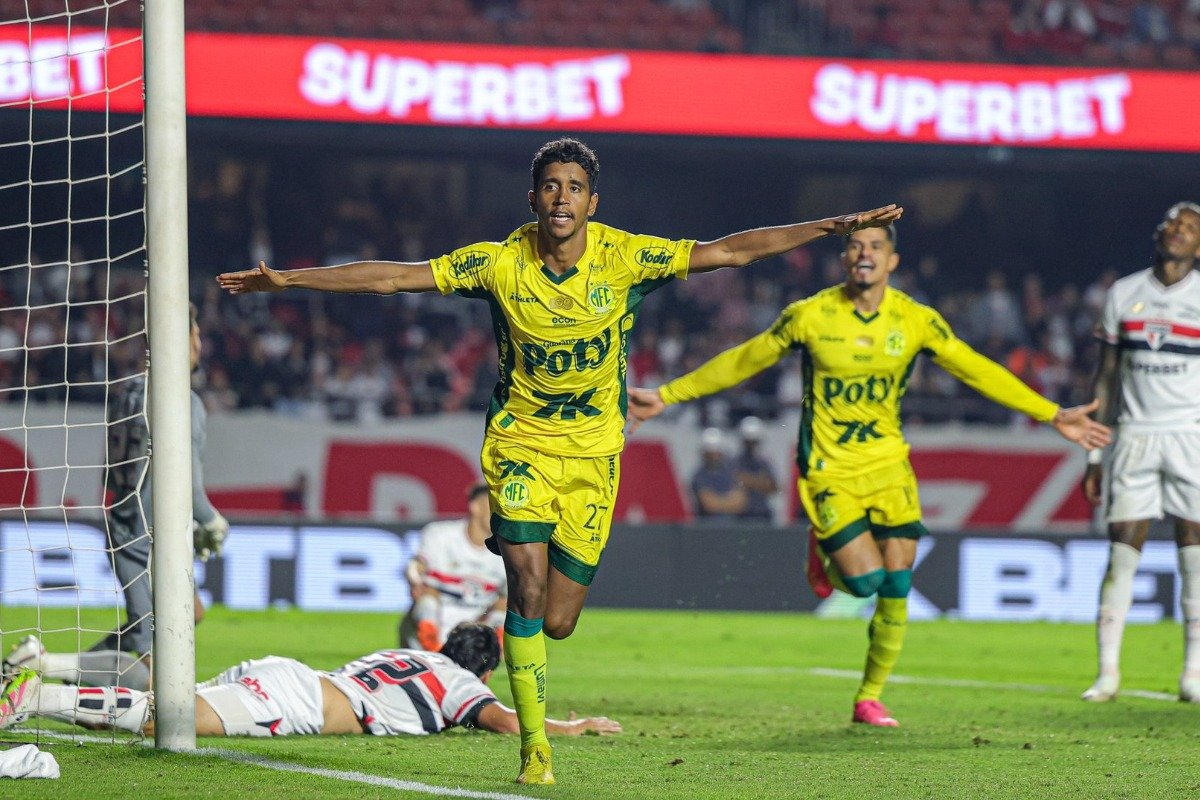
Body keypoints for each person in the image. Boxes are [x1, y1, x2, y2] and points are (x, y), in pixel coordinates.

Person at [216, 136, 902, 783]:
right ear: (534, 198)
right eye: (550, 186)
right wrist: (288, 281)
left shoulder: (626, 256)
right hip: (519, 447)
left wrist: (832, 225)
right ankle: (535, 749)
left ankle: (533, 656)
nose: (562, 197)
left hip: (594, 458)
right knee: (525, 584)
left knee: (558, 620)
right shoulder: (498, 263)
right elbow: (394, 278)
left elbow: (729, 252)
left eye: (574, 187)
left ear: (592, 202)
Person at [628, 223, 1111, 727]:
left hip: (888, 466)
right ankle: (824, 553)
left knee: (897, 582)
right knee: (863, 584)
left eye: (876, 246)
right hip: (829, 469)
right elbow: (746, 359)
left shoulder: (915, 320)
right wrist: (668, 394)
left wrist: (1052, 413)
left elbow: (975, 368)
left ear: (892, 261)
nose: (865, 253)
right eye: (856, 246)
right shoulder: (811, 315)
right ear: (844, 259)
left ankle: (870, 697)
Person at [3, 304, 231, 693]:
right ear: (180, 341)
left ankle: (65, 673)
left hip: (126, 521)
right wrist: (212, 521)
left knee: (188, 613)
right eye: (195, 335)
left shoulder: (127, 392)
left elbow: (110, 470)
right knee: (154, 665)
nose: (199, 344)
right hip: (146, 535)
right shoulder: (182, 400)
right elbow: (188, 482)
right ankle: (45, 669)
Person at [0, 623, 619, 739]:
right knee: (167, 719)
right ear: (483, 670)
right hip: (297, 700)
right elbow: (507, 721)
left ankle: (43, 682)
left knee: (160, 706)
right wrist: (573, 726)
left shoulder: (407, 653)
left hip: (289, 675)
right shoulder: (461, 684)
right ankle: (38, 696)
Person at [1080, 201, 1200, 704]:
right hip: (1134, 434)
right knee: (1122, 552)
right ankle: (1108, 673)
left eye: (1190, 227)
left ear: (1199, 245)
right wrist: (1093, 454)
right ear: (1158, 233)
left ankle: (1193, 673)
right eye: (1172, 222)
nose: (1178, 230)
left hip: (1190, 435)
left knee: (1194, 555)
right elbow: (1106, 376)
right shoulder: (1123, 293)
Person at [399, 483, 507, 651]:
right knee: (428, 595)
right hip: (436, 618)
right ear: (475, 507)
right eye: (494, 505)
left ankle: (490, 647)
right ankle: (430, 645)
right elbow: (416, 566)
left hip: (474, 626)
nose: (500, 512)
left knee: (505, 606)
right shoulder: (440, 535)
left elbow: (507, 598)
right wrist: (415, 581)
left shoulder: (505, 550)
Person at [690, 427, 746, 519]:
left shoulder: (732, 472)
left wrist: (718, 501)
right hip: (708, 525)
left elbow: (741, 502)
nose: (714, 456)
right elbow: (709, 504)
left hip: (732, 525)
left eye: (716, 452)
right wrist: (729, 501)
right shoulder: (699, 476)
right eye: (710, 453)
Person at [732, 416, 778, 521]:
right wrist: (760, 482)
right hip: (741, 515)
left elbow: (774, 487)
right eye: (748, 442)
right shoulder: (735, 462)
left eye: (754, 442)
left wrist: (749, 481)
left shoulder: (764, 462)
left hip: (762, 513)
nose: (751, 445)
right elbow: (733, 482)